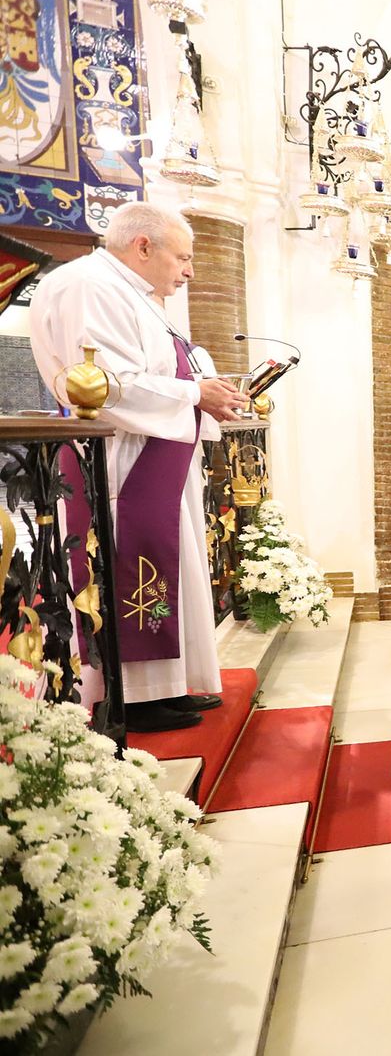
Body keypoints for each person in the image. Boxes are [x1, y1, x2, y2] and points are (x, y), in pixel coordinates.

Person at [30, 201, 248, 732]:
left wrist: (206, 392)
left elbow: (161, 367)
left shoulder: (131, 292)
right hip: (119, 456)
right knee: (128, 564)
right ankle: (128, 696)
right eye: (183, 257)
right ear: (143, 246)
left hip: (154, 451)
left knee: (167, 564)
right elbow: (101, 383)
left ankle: (161, 687)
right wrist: (194, 393)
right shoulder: (90, 285)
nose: (190, 271)